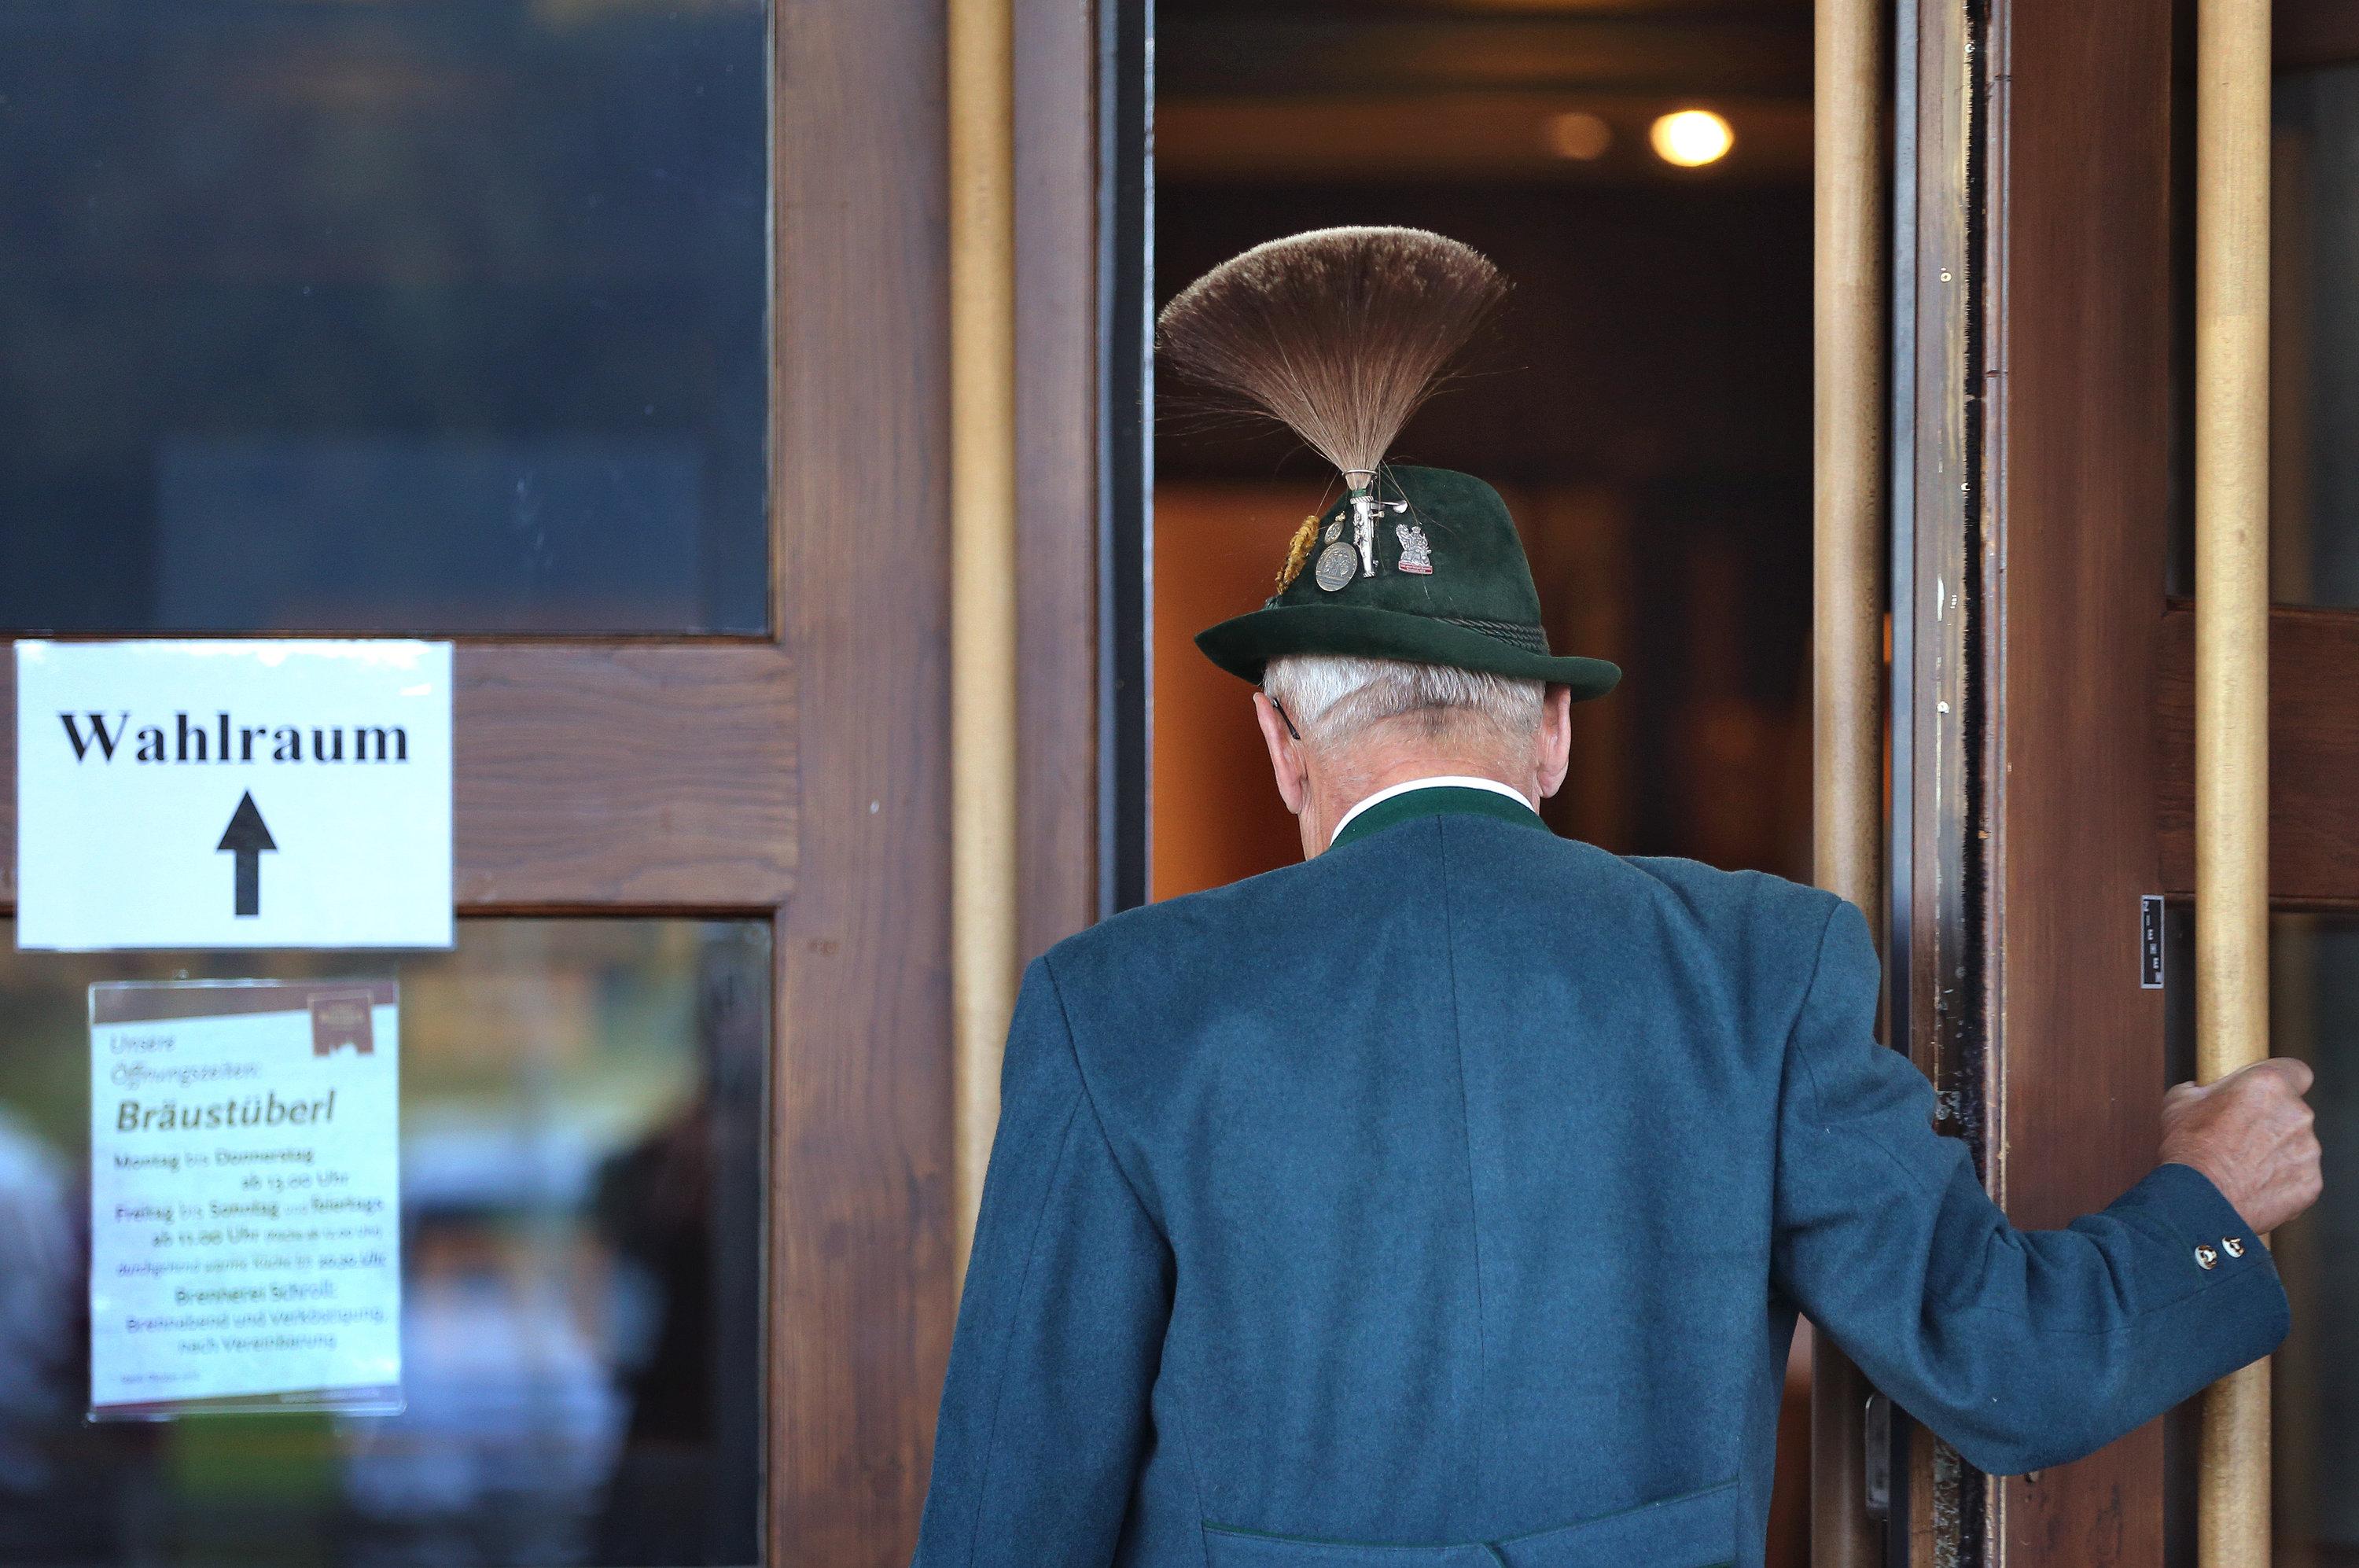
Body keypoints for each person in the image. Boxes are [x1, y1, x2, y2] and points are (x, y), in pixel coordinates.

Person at [909, 229, 2320, 1567]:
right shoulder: (1763, 967)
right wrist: (2208, 1197)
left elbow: (1008, 1519)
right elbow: (2004, 1365)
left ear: (1283, 744)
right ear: (1554, 734)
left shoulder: (1116, 1003)